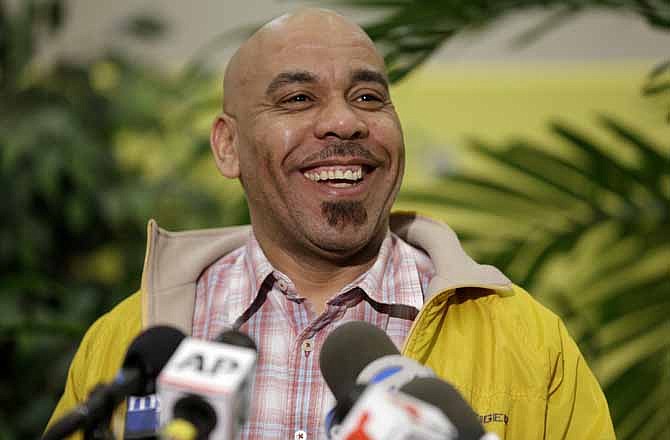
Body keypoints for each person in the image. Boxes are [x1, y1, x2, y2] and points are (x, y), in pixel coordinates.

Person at [47, 8, 615, 440]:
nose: (344, 122)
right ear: (228, 147)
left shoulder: (527, 342)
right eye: (297, 98)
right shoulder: (129, 345)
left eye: (368, 96)